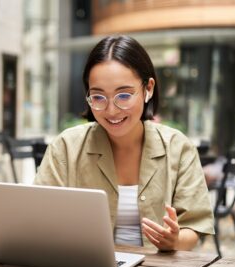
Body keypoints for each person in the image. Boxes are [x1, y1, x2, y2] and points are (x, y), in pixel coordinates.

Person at [34, 35, 214, 251]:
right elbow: (40, 219)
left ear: (148, 89)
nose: (111, 110)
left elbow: (193, 228)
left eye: (124, 95)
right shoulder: (66, 147)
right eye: (98, 97)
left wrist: (174, 241)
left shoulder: (178, 148)